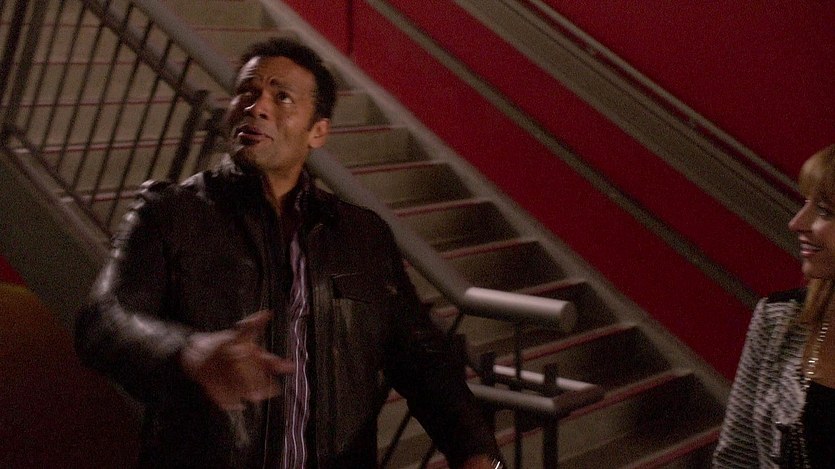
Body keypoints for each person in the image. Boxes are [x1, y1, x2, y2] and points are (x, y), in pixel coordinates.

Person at [75, 37, 502, 468]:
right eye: (247, 91)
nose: (256, 106)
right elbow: (103, 319)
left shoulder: (361, 236)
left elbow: (421, 356)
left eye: (282, 97)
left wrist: (477, 452)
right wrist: (188, 352)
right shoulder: (170, 212)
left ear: (318, 132)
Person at [713, 144, 835, 468]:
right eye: (805, 204)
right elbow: (736, 458)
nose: (796, 223)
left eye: (824, 211)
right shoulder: (778, 319)